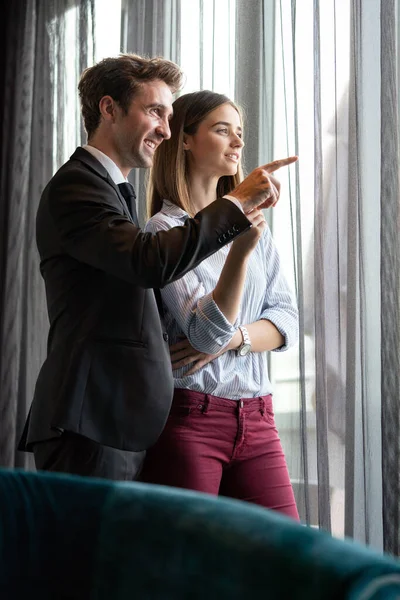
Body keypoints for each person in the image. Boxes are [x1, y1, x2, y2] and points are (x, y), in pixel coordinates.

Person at [18, 54, 296, 481]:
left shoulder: (113, 191)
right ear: (109, 109)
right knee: (91, 549)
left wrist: (231, 338)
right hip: (90, 417)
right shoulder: (78, 185)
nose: (165, 129)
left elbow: (286, 318)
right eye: (154, 112)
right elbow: (148, 261)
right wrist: (237, 204)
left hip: (117, 419)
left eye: (169, 115)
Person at [140, 90, 299, 519]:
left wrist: (234, 341)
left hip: (259, 418)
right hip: (191, 419)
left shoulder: (254, 225)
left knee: (286, 560)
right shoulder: (164, 231)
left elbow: (286, 321)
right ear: (185, 139)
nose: (237, 143)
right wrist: (240, 252)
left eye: (240, 133)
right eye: (222, 129)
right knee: (185, 570)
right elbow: (204, 332)